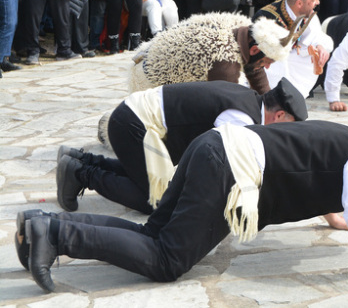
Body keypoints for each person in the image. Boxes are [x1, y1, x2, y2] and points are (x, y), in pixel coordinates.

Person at [19, 122, 348, 292]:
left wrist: (331, 217)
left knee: (153, 234)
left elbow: (316, 169)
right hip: (231, 170)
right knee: (167, 260)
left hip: (216, 145)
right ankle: (55, 235)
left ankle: (42, 223)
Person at [55, 78, 306, 215]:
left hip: (137, 119)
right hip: (133, 124)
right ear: (279, 115)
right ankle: (80, 173)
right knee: (156, 201)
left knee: (152, 178)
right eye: (290, 126)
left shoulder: (247, 98)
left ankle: (80, 160)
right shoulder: (241, 118)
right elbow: (216, 159)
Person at [129, 13, 294, 95]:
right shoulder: (225, 59)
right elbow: (226, 105)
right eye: (268, 61)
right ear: (255, 50)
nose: (267, 66)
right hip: (148, 79)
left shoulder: (247, 31)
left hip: (155, 56)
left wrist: (270, 103)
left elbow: (256, 72)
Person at [255, 0, 333, 99]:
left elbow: (316, 35)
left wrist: (321, 46)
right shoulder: (266, 19)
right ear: (299, 3)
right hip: (266, 69)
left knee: (315, 53)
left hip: (287, 60)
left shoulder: (306, 12)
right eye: (313, 0)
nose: (318, 2)